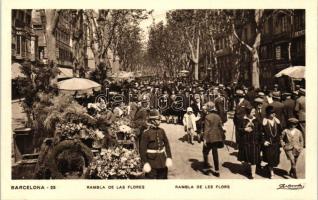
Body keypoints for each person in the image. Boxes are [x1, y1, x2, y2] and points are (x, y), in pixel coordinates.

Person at [140, 109, 172, 179]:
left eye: (160, 119)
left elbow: (167, 145)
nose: (160, 121)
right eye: (158, 119)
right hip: (151, 162)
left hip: (163, 162)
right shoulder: (146, 133)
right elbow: (142, 150)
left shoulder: (162, 131)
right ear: (152, 120)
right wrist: (145, 163)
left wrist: (169, 157)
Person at [237, 107, 262, 179]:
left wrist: (259, 140)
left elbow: (260, 130)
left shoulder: (257, 120)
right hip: (245, 142)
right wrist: (244, 129)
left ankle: (253, 174)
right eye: (252, 112)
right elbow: (238, 129)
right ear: (248, 113)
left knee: (254, 158)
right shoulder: (242, 120)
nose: (254, 113)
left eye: (254, 112)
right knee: (246, 157)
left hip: (254, 141)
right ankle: (248, 169)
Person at [202, 102, 225, 177]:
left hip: (209, 138)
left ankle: (206, 169)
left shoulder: (207, 117)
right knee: (215, 153)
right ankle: (217, 171)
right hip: (217, 138)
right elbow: (221, 126)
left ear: (208, 108)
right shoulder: (218, 116)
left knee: (205, 152)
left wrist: (204, 139)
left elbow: (206, 129)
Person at [261, 105, 282, 178]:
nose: (274, 114)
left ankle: (269, 167)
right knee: (270, 158)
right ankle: (271, 173)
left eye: (274, 113)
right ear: (268, 114)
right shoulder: (264, 122)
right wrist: (264, 141)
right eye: (272, 113)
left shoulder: (276, 121)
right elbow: (261, 133)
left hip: (276, 143)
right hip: (268, 143)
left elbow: (280, 132)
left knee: (275, 159)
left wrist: (279, 123)